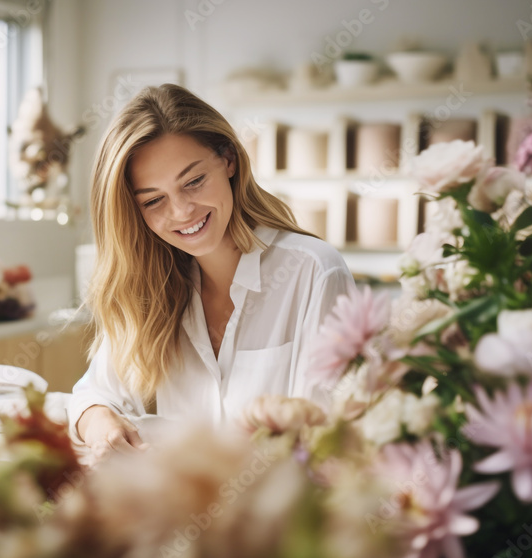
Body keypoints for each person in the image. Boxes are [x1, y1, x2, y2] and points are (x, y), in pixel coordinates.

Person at [68, 84, 354, 458]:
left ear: (229, 160)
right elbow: (92, 395)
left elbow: (326, 440)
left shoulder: (314, 272)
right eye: (154, 200)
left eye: (193, 181)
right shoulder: (150, 286)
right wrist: (101, 424)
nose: (182, 211)